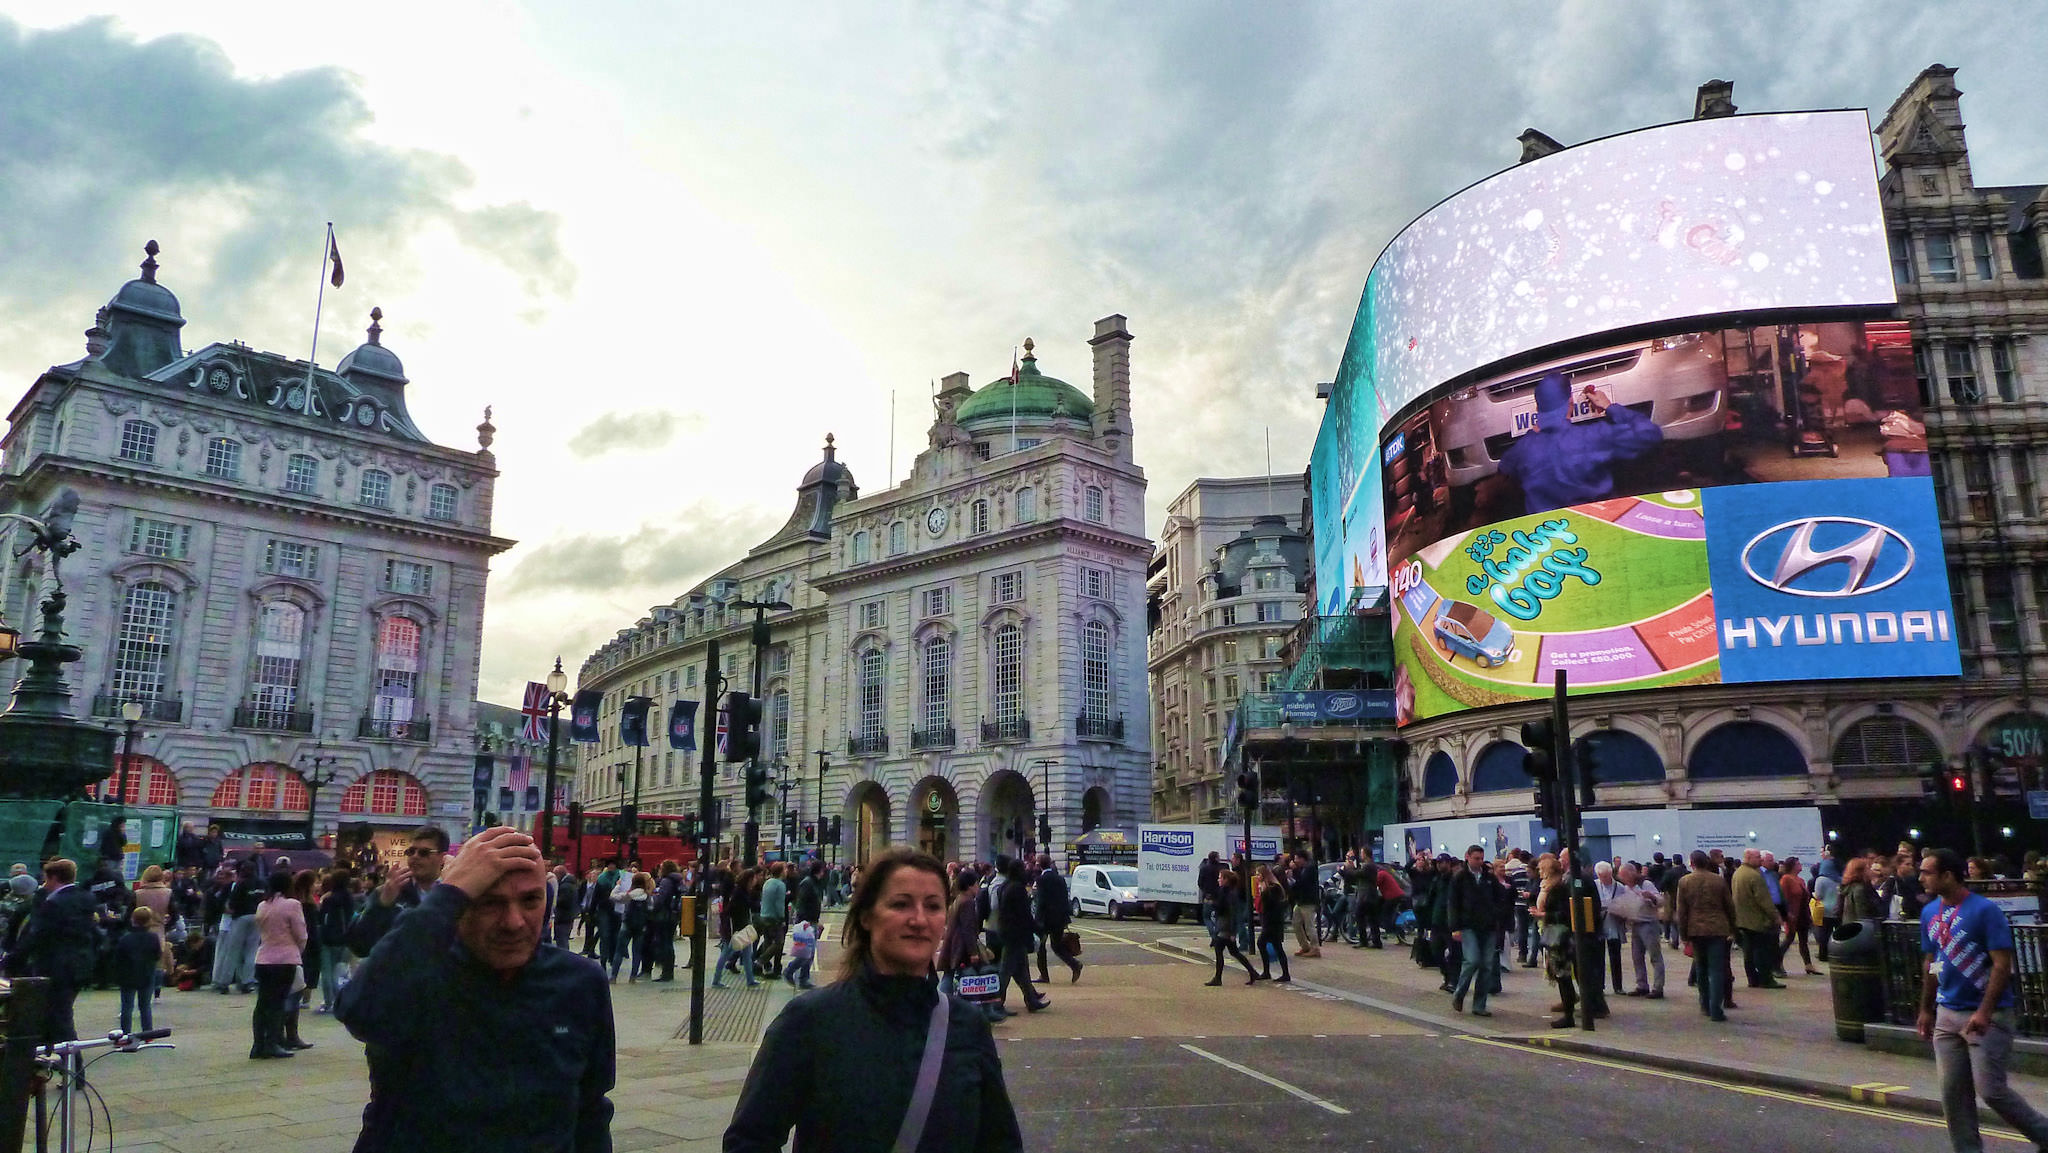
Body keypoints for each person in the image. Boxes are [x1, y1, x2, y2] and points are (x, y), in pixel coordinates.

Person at [725, 847, 1022, 1153]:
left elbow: (1000, 1141)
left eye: (933, 906)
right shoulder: (811, 1020)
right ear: (866, 916)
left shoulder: (967, 1025)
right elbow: (749, 1139)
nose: (919, 920)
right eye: (901, 904)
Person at [337, 824, 614, 1151]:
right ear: (458, 904)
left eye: (530, 900)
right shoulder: (419, 973)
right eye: (489, 903)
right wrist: (449, 892)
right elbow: (360, 1011)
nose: (514, 922)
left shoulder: (580, 981)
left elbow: (591, 1108)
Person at [1917, 847, 2048, 1151]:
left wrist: (1985, 1012)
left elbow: (2002, 964)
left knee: (1991, 1091)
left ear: (1947, 875)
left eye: (1927, 872)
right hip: (1947, 1013)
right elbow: (1934, 962)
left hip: (1986, 1016)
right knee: (1953, 1093)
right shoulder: (1929, 913)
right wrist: (1926, 1008)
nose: (1921, 877)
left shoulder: (1984, 911)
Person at [1497, 373, 1664, 514]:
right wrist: (1609, 407)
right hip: (1598, 523)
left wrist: (1534, 433)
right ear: (1571, 401)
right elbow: (1650, 433)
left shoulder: (1522, 451)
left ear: (1537, 408)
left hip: (1549, 534)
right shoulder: (1594, 436)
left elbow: (1504, 470)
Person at [13, 859, 100, 1044]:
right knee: (60, 1014)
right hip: (80, 965)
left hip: (56, 967)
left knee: (59, 1018)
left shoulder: (53, 903)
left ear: (53, 878)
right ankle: (56, 1056)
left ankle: (74, 1066)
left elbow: (36, 936)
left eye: (46, 879)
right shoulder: (86, 898)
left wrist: (10, 961)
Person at [347, 826, 449, 958]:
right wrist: (382, 905)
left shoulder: (453, 894)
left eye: (424, 852)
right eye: (411, 851)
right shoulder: (388, 891)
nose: (415, 857)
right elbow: (358, 945)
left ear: (442, 858)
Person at [1674, 850, 1737, 1023]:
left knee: (1701, 968)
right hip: (1718, 928)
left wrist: (1683, 934)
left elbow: (1682, 911)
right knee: (1716, 970)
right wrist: (1733, 928)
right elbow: (1729, 906)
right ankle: (1717, 1009)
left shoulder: (1685, 881)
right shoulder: (1718, 880)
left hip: (1696, 930)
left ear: (1692, 863)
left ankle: (1704, 1004)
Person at [1447, 845, 1510, 1017]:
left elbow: (1501, 897)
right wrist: (1455, 928)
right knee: (1472, 960)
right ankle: (1459, 993)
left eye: (1481, 858)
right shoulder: (1459, 878)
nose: (1480, 862)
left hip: (1488, 926)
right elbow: (1452, 903)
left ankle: (1479, 1005)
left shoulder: (1489, 877)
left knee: (1486, 966)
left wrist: (1496, 913)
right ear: (1467, 857)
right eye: (1476, 858)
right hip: (1468, 926)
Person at [251, 870, 307, 1059]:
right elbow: (301, 934)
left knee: (263, 1003)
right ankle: (273, 1042)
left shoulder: (262, 906)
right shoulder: (293, 905)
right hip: (285, 958)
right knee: (278, 1002)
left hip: (263, 957)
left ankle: (258, 1043)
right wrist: (298, 950)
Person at [993, 857, 1048, 1014]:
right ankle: (996, 1004)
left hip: (1006, 932)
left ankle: (1031, 999)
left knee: (1021, 970)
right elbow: (1024, 915)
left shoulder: (1004, 886)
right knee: (1006, 971)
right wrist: (1038, 930)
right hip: (1015, 935)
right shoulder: (1017, 889)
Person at [1731, 849, 1783, 990]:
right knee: (1762, 952)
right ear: (1748, 857)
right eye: (1758, 857)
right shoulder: (1754, 876)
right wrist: (1775, 916)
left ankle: (1752, 979)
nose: (1760, 859)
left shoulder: (1738, 873)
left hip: (1743, 920)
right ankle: (1766, 979)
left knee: (1748, 952)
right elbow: (1764, 900)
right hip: (1757, 920)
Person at [113, 906, 170, 1035]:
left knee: (127, 1007)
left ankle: (125, 1034)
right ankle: (148, 1033)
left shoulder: (125, 939)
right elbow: (157, 955)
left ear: (133, 920)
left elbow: (118, 958)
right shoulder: (153, 938)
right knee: (145, 1006)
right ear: (149, 920)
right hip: (147, 974)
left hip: (128, 976)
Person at [1612, 862, 1665, 999]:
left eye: (1624, 876)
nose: (1623, 880)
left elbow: (1660, 901)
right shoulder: (1625, 888)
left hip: (1648, 923)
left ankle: (1658, 987)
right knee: (1637, 956)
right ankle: (1642, 985)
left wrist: (1651, 897)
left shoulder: (1645, 884)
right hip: (1635, 924)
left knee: (1655, 956)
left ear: (1631, 873)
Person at [212, 858, 264, 993]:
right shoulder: (261, 883)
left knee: (232, 950)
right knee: (251, 951)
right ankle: (248, 982)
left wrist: (230, 909)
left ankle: (224, 982)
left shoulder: (241, 884)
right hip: (257, 917)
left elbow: (232, 903)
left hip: (240, 917)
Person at [1205, 869, 1260, 987]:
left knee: (1219, 951)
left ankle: (1218, 978)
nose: (1218, 879)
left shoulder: (1229, 894)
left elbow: (1231, 912)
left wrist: (1232, 932)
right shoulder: (1224, 891)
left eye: (1220, 877)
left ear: (1226, 880)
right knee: (1234, 952)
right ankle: (1252, 972)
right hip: (1224, 925)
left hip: (1225, 926)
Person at [1031, 855, 1081, 985]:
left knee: (1041, 948)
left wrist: (1037, 919)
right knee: (1057, 946)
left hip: (1045, 920)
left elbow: (1041, 901)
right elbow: (1065, 898)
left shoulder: (1041, 879)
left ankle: (1044, 975)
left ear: (1039, 865)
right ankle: (1074, 964)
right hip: (1059, 918)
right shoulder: (1060, 879)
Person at [316, 872, 356, 1014]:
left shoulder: (329, 899)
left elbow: (322, 919)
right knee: (340, 972)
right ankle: (341, 1000)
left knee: (327, 972)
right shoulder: (350, 899)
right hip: (345, 939)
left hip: (328, 938)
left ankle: (329, 1002)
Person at [1778, 858, 1818, 977]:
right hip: (1792, 914)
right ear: (1792, 866)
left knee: (1803, 941)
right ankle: (1776, 962)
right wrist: (1786, 913)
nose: (1800, 865)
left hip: (1803, 914)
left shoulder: (1800, 880)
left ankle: (1808, 965)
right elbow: (1783, 898)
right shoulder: (1786, 879)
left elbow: (1805, 898)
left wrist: (1809, 915)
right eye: (1798, 864)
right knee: (1789, 938)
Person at [1254, 865, 1291, 983]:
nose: (1257, 877)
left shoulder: (1273, 888)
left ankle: (1275, 973)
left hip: (1273, 922)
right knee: (1276, 946)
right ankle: (1273, 972)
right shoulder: (1268, 887)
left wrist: (1263, 891)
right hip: (1270, 921)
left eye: (1259, 874)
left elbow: (1269, 905)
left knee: (1263, 943)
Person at [1287, 851, 1321, 957]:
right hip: (1301, 901)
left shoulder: (1310, 868)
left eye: (1297, 858)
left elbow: (1303, 882)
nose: (1295, 861)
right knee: (1296, 922)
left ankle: (1315, 948)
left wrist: (1295, 870)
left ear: (1303, 859)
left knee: (1309, 925)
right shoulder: (1303, 869)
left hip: (1308, 901)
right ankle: (1305, 946)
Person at [784, 919, 817, 990]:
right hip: (806, 923)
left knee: (808, 954)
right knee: (806, 954)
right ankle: (790, 971)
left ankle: (803, 978)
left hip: (810, 922)